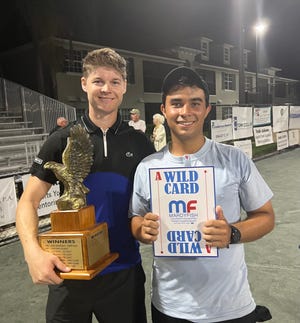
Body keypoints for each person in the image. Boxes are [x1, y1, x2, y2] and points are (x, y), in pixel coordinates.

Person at [16, 47, 155, 323]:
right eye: (98, 81)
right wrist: (32, 253)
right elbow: (28, 201)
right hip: (68, 274)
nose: (107, 89)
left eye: (115, 81)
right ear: (84, 84)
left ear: (124, 86)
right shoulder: (61, 139)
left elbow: (155, 201)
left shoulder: (140, 143)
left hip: (123, 274)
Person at [129, 66, 275, 323]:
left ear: (207, 109)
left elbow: (266, 216)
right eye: (177, 103)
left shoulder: (234, 159)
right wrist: (143, 230)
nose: (186, 112)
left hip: (230, 306)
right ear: (163, 110)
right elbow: (136, 218)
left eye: (195, 103)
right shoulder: (147, 167)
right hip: (170, 306)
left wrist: (232, 233)